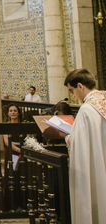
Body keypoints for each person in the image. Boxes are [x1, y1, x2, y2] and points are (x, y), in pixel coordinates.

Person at [64, 69, 106, 224]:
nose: (73, 95)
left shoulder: (87, 109)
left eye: (72, 90)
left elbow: (79, 145)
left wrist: (67, 137)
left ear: (80, 86)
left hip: (97, 167)